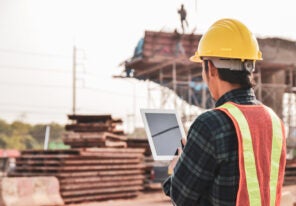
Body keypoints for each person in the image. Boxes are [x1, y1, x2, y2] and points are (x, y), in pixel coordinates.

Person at [162, 18, 286, 206]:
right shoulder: (274, 120)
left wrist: (178, 166)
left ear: (210, 68)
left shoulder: (210, 124)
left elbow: (180, 197)